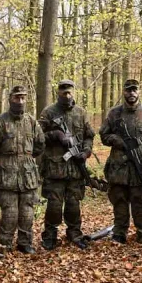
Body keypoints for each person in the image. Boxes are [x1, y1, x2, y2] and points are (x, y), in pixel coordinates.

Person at [98, 79, 142, 244]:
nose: (131, 93)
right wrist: (116, 140)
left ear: (139, 91)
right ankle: (119, 232)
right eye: (128, 90)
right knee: (119, 200)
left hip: (140, 164)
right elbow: (104, 135)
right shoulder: (114, 113)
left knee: (141, 200)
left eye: (134, 90)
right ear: (123, 92)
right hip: (118, 166)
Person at [0, 85, 45, 254]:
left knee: (27, 212)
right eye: (16, 98)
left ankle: (25, 243)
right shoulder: (0, 121)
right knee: (9, 214)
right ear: (10, 99)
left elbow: (40, 144)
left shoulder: (32, 121)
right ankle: (4, 245)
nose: (20, 101)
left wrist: (27, 157)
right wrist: (5, 156)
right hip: (7, 174)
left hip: (28, 174)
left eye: (23, 98)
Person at [37, 79, 96, 250]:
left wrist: (85, 152)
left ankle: (74, 234)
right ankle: (50, 236)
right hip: (55, 169)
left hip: (75, 170)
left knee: (73, 205)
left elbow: (89, 135)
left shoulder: (81, 113)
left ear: (73, 92)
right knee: (54, 206)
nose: (67, 95)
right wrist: (54, 134)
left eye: (69, 91)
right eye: (63, 92)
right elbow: (37, 136)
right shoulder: (49, 112)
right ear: (58, 93)